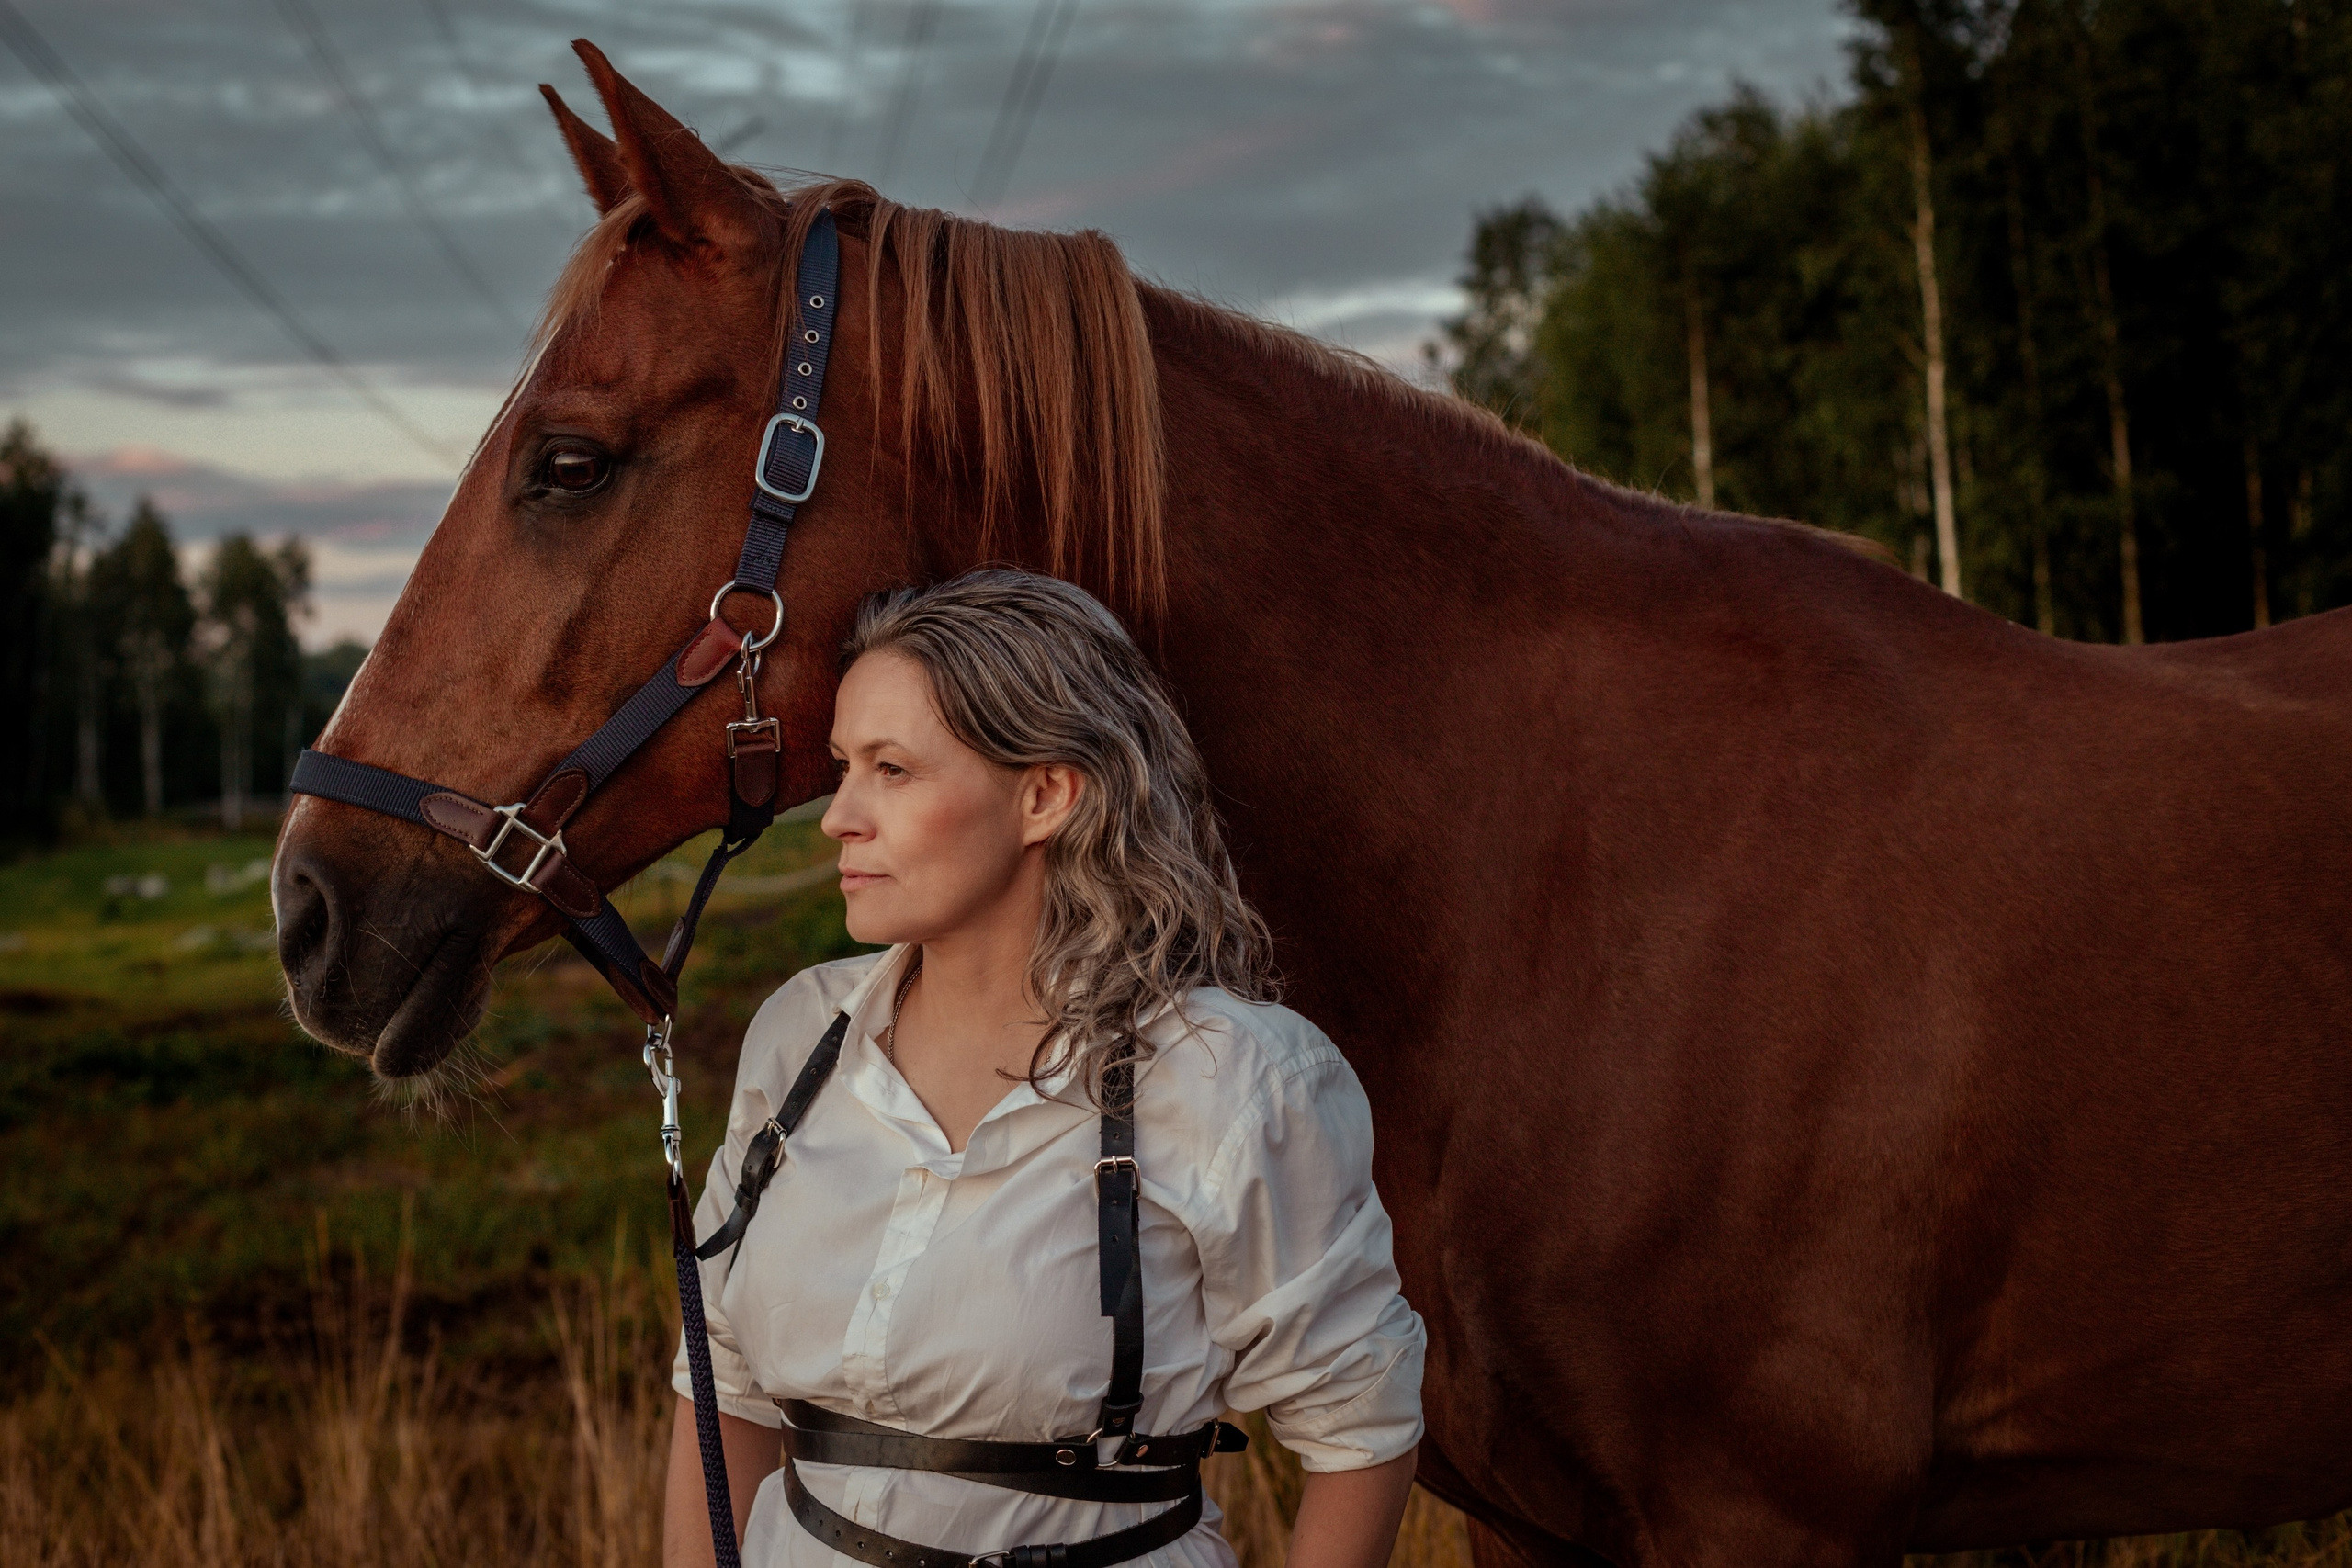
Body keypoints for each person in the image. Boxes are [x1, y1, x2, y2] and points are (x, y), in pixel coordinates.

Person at [668, 570, 1425, 1568]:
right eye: (844, 765)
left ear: (1044, 795)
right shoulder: (800, 1035)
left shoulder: (1229, 1078)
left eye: (891, 770)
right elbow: (720, 1381)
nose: (839, 817)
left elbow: (1359, 1430)